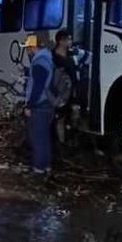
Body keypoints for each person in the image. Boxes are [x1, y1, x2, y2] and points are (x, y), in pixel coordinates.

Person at [23, 34, 54, 174]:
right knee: (44, 136)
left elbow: (38, 86)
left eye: (27, 49)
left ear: (32, 47)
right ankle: (46, 165)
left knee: (36, 137)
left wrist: (29, 105)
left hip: (39, 105)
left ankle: (38, 168)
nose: (27, 52)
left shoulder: (39, 61)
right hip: (46, 104)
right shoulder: (47, 58)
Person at [51, 29, 77, 143]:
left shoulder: (70, 58)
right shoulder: (52, 58)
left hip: (69, 95)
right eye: (69, 39)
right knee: (58, 120)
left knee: (69, 118)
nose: (71, 41)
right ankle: (59, 144)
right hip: (57, 95)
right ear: (61, 41)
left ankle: (66, 143)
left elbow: (73, 78)